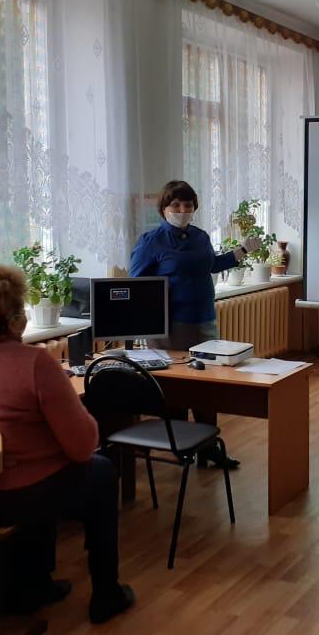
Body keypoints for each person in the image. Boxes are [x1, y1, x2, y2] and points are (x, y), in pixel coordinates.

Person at [0, 264, 134, 624]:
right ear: (16, 319)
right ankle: (106, 595)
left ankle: (36, 585)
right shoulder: (35, 364)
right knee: (100, 472)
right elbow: (82, 446)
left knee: (48, 470)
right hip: (15, 497)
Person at [129, 180, 261, 469]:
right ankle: (181, 448)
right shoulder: (151, 241)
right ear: (164, 208)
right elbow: (136, 283)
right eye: (175, 205)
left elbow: (211, 265)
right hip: (170, 327)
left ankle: (209, 448)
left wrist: (242, 251)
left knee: (208, 388)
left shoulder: (200, 237)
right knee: (177, 390)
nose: (182, 210)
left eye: (187, 205)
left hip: (204, 320)